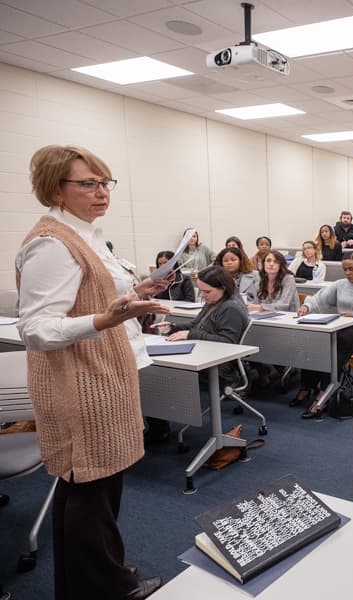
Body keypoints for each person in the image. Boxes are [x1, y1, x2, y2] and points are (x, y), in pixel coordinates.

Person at [16, 144, 169, 599]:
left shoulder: (84, 233)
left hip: (101, 378)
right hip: (81, 386)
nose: (102, 192)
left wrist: (137, 290)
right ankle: (104, 586)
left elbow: (88, 296)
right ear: (55, 190)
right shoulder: (52, 243)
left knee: (90, 490)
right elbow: (37, 328)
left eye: (105, 182)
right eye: (88, 184)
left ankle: (95, 579)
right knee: (91, 491)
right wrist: (105, 320)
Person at [296, 253, 353, 418]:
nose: (348, 273)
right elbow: (319, 299)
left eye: (351, 269)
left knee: (337, 341)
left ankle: (324, 392)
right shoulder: (340, 284)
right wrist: (307, 306)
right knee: (317, 338)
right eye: (345, 269)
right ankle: (306, 385)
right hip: (342, 326)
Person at [162, 266, 249, 384]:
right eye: (201, 290)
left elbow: (227, 342)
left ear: (223, 288)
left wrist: (191, 335)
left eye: (207, 291)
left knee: (171, 370)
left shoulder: (230, 308)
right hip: (208, 354)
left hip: (219, 363)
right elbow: (196, 324)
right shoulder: (214, 301)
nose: (202, 295)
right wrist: (173, 327)